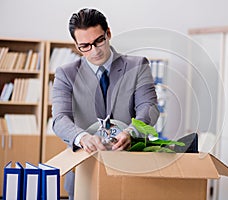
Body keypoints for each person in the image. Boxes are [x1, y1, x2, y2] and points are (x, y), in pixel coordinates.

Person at [51, 8, 159, 199]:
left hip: (131, 168)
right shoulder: (66, 74)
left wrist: (132, 132)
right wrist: (82, 137)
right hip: (84, 170)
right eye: (85, 46)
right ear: (77, 46)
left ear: (108, 33)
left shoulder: (137, 66)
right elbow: (60, 119)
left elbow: (149, 108)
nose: (94, 50)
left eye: (99, 41)